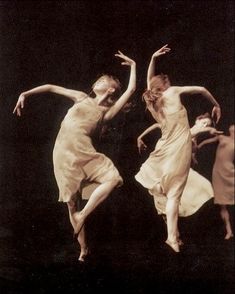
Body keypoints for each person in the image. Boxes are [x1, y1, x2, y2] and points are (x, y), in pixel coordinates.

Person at [13, 51, 136, 262]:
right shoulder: (81, 97)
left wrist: (133, 65)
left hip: (85, 151)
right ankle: (84, 249)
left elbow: (132, 89)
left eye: (101, 80)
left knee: (113, 179)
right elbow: (51, 87)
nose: (96, 81)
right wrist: (25, 93)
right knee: (71, 202)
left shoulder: (107, 113)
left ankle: (83, 215)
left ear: (110, 88)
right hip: (63, 152)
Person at [135, 44, 221, 252]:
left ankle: (172, 236)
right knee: (174, 194)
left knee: (169, 192)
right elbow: (201, 89)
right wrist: (216, 104)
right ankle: (172, 236)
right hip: (178, 148)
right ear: (166, 84)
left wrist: (153, 57)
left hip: (163, 148)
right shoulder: (173, 91)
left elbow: (148, 82)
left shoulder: (151, 102)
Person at [198, 124, 234, 240]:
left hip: (230, 171)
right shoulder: (222, 137)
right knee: (222, 205)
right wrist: (199, 146)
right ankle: (229, 231)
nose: (232, 128)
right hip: (218, 171)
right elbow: (209, 140)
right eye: (232, 127)